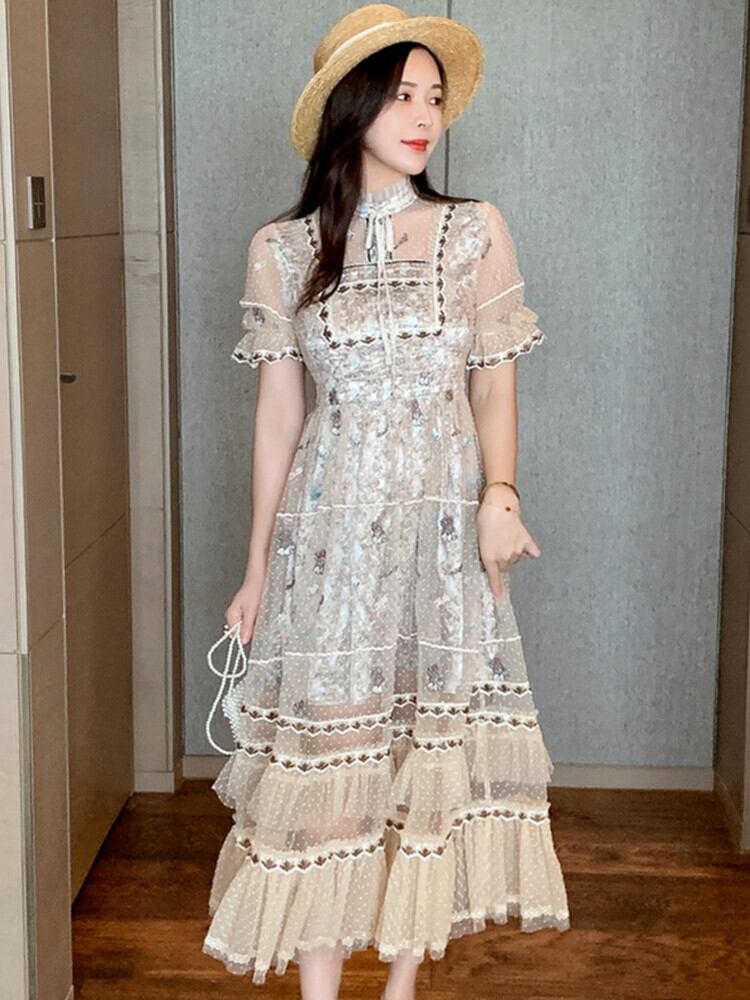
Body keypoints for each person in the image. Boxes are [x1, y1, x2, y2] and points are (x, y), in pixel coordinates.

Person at [202, 5, 570, 998]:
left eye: (433, 98)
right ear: (351, 106)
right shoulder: (282, 248)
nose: (423, 117)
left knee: (426, 757)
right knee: (332, 758)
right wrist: (256, 569)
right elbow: (280, 419)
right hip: (331, 544)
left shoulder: (472, 230)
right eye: (402, 95)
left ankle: (402, 985)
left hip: (443, 534)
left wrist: (501, 494)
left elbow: (494, 386)